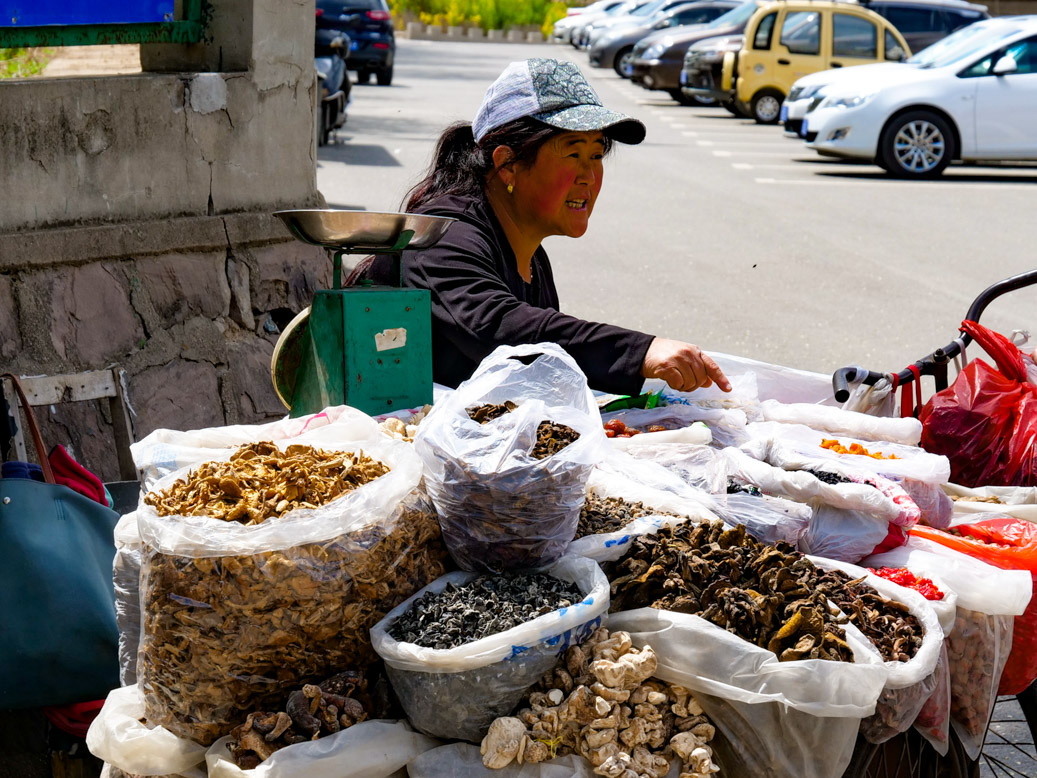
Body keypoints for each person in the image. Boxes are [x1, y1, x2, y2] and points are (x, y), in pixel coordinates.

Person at [399, 57, 730, 397]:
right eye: (573, 155)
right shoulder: (443, 235)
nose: (588, 177)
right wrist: (641, 352)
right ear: (507, 164)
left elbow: (542, 357)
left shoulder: (530, 254)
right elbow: (498, 327)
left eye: (597, 156)